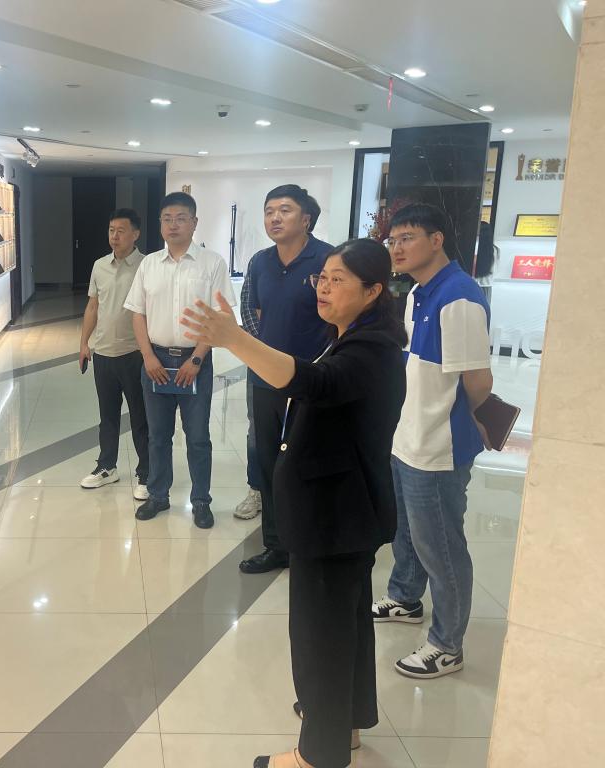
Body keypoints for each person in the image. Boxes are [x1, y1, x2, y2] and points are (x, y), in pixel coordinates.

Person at [181, 238, 406, 768]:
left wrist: (235, 339)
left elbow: (314, 383)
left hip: (334, 514)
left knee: (319, 636)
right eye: (321, 278)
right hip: (340, 510)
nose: (323, 288)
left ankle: (317, 755)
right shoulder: (353, 337)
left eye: (338, 280)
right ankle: (345, 724)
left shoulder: (370, 349)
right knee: (345, 627)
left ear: (373, 291)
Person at [372, 203, 493, 680]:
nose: (397, 248)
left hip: (438, 447)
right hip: (408, 436)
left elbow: (477, 380)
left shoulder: (458, 296)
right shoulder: (420, 292)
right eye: (393, 240)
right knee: (407, 533)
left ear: (437, 240)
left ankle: (447, 645)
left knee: (440, 546)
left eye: (408, 238)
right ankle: (405, 597)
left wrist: (473, 424)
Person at [124, 191, 236, 529]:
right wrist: (147, 357)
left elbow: (219, 316)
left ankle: (201, 501)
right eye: (167, 219)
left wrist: (197, 359)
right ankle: (158, 495)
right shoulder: (148, 264)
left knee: (198, 436)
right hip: (155, 360)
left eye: (181, 218)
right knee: (158, 436)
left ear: (194, 222)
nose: (173, 225)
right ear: (160, 224)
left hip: (194, 361)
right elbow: (138, 314)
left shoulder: (212, 263)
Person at [240, 185, 334, 574]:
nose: (275, 218)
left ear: (306, 219)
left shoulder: (328, 260)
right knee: (268, 462)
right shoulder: (260, 262)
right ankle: (276, 545)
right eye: (269, 211)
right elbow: (249, 309)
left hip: (313, 381)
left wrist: (321, 365)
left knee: (308, 460)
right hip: (264, 381)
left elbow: (340, 319)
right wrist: (264, 356)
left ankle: (312, 544)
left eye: (284, 210)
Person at [78, 209, 150, 500]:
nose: (115, 236)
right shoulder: (99, 266)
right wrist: (84, 343)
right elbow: (93, 306)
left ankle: (146, 473)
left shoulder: (147, 266)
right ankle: (107, 466)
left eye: (121, 230)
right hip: (104, 354)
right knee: (107, 416)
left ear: (136, 234)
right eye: (111, 230)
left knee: (140, 418)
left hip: (135, 353)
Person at [233, 252, 264, 520]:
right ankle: (257, 489)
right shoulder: (259, 261)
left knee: (301, 427)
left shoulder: (322, 257)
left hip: (306, 361)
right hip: (261, 359)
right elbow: (248, 306)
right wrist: (266, 347)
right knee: (258, 427)